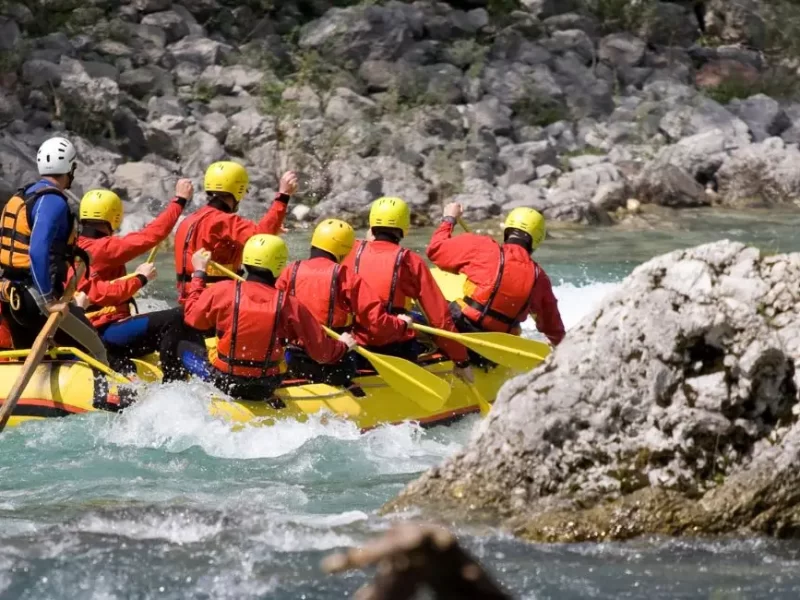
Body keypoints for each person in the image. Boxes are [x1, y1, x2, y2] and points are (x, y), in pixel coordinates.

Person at [181, 234, 357, 399]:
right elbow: (322, 354)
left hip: (223, 381)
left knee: (181, 344)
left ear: (244, 261)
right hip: (265, 386)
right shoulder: (290, 304)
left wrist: (199, 273)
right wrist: (342, 346)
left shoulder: (222, 291)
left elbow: (192, 318)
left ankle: (175, 385)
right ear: (280, 266)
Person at [0, 137, 108, 363]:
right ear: (69, 168)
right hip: (36, 299)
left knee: (31, 356)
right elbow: (37, 251)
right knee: (97, 350)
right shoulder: (53, 201)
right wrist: (49, 300)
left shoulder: (22, 196)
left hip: (10, 296)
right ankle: (106, 397)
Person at [341, 197, 473, 382]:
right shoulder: (409, 261)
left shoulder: (350, 249)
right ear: (405, 228)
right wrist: (462, 361)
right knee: (423, 323)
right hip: (393, 348)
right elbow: (440, 319)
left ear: (371, 226)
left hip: (350, 343)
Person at [74, 180, 193, 372]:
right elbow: (151, 235)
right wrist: (179, 200)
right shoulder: (103, 248)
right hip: (105, 330)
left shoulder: (77, 246)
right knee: (178, 317)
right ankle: (173, 381)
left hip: (96, 328)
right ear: (115, 217)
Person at [275, 218, 412, 386]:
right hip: (334, 363)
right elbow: (376, 323)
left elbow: (275, 311)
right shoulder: (345, 277)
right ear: (344, 249)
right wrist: (401, 324)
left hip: (295, 358)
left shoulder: (290, 271)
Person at [426, 204, 565, 346]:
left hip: (460, 327)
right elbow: (552, 325)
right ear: (537, 240)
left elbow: (435, 250)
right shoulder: (539, 277)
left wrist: (449, 219)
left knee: (421, 303)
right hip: (499, 345)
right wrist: (560, 344)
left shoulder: (484, 247)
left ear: (507, 230)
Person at [174, 161, 297, 304]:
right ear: (239, 190)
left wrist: (272, 230)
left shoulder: (191, 219)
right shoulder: (222, 220)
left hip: (189, 297)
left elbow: (221, 243)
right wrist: (283, 195)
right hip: (213, 300)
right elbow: (262, 236)